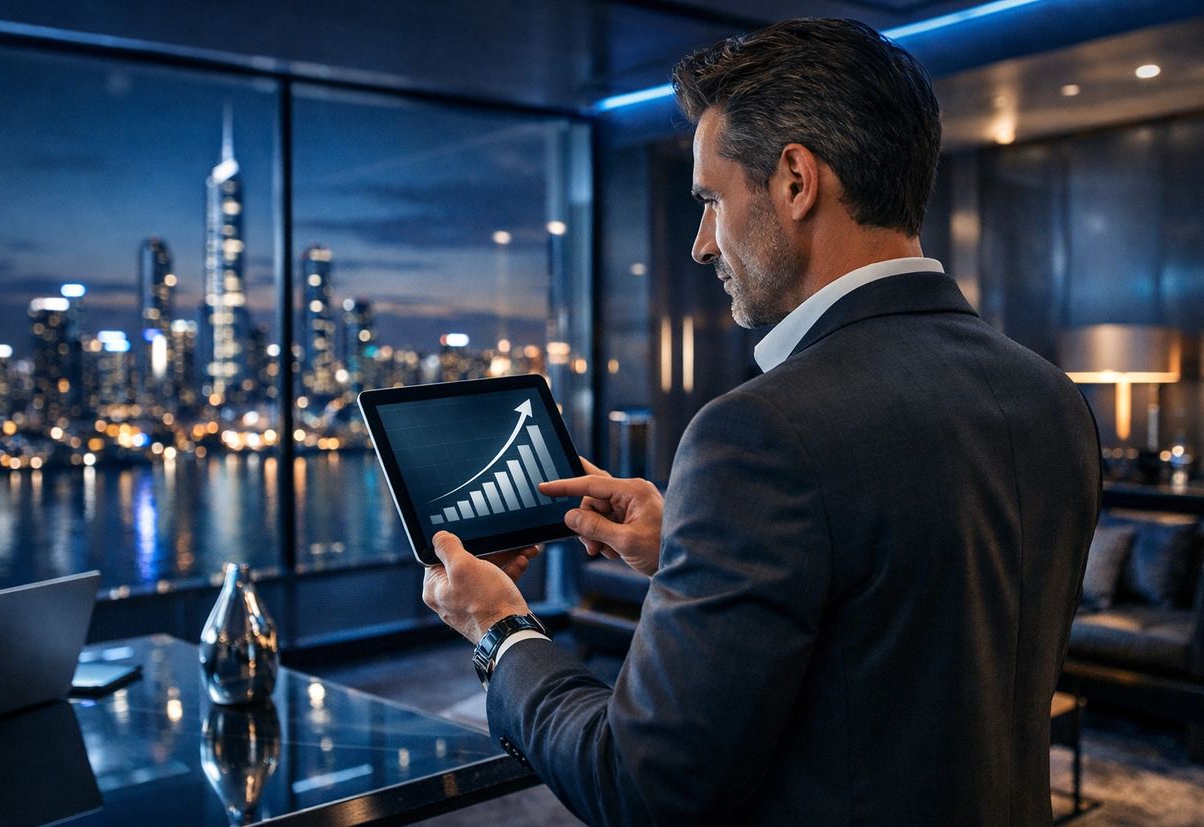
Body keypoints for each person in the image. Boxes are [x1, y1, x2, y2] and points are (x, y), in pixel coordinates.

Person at [422, 17, 1100, 826]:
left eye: (711, 200)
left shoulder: (760, 432)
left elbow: (639, 784)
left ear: (794, 181)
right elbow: (905, 627)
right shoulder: (1052, 397)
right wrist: (690, 547)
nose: (704, 244)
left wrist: (500, 629)